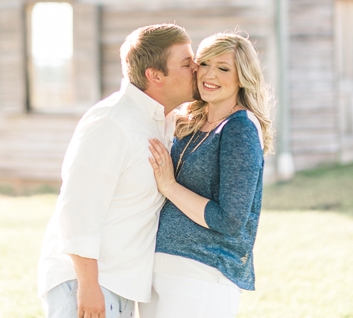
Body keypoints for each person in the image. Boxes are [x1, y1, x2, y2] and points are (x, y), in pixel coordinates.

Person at [37, 24, 198, 318]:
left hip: (120, 286)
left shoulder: (161, 122)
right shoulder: (112, 121)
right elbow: (78, 208)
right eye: (187, 63)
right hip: (88, 283)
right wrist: (88, 285)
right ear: (155, 75)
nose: (197, 69)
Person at [144, 32, 274, 318]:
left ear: (242, 77)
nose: (209, 74)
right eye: (204, 64)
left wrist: (169, 185)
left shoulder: (239, 129)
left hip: (203, 275)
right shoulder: (191, 122)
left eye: (223, 68)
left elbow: (230, 220)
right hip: (160, 270)